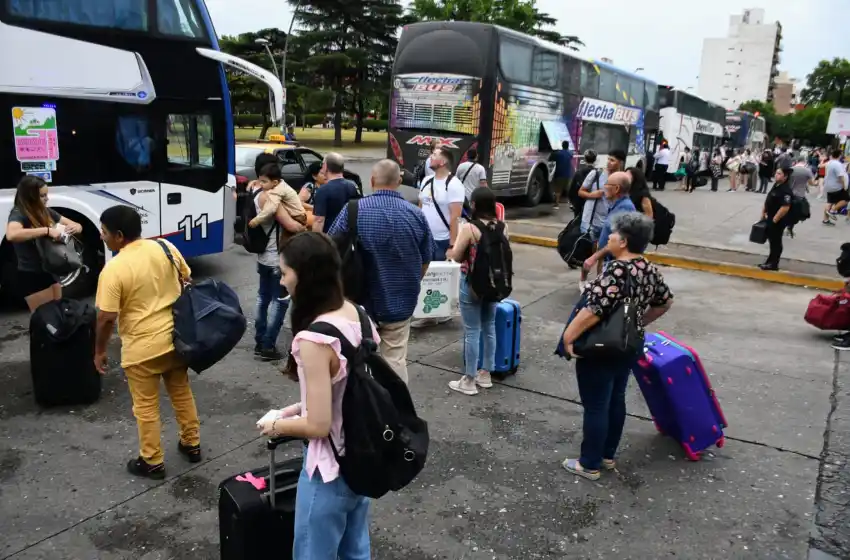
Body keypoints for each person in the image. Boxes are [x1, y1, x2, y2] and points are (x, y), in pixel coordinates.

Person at [257, 232, 374, 559]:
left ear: (305, 276)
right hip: (362, 457)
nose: (281, 282)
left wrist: (276, 427)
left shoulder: (313, 340)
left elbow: (320, 425)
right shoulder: (357, 313)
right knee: (355, 552)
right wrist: (290, 410)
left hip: (329, 471)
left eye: (285, 273)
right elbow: (344, 389)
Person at [562, 212, 673, 480]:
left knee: (597, 404)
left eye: (612, 234)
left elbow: (594, 310)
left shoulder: (616, 271)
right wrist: (638, 321)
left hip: (602, 346)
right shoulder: (648, 267)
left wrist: (568, 336)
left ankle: (589, 463)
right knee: (616, 398)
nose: (608, 238)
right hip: (628, 344)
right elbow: (665, 301)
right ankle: (607, 456)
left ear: (622, 241)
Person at [94, 205, 201, 480]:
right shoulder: (165, 246)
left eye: (104, 232)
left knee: (145, 407)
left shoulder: (113, 269)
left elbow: (106, 318)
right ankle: (192, 444)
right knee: (180, 392)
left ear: (118, 236)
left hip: (142, 350)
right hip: (176, 340)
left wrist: (99, 351)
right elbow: (187, 277)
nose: (101, 236)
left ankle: (152, 461)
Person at [328, 160, 435, 384]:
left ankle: (363, 408)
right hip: (401, 303)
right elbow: (426, 261)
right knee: (395, 359)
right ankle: (396, 409)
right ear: (398, 182)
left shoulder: (352, 211)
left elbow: (330, 249)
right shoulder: (416, 215)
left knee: (356, 359)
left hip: (359, 303)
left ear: (372, 180)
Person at [446, 187, 504, 396]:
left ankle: (469, 380)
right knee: (489, 327)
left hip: (471, 285)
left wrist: (450, 251)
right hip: (495, 285)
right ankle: (485, 374)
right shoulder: (502, 227)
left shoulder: (470, 228)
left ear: (475, 205)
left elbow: (459, 256)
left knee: (472, 330)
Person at [252, 163, 306, 361]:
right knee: (280, 301)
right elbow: (290, 225)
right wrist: (303, 226)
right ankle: (267, 346)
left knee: (262, 297)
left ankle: (259, 341)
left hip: (262, 257)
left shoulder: (256, 191)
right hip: (278, 258)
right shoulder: (272, 197)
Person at [5, 176, 83, 312]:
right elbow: (12, 234)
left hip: (50, 270)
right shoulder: (19, 213)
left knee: (58, 315)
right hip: (31, 274)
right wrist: (47, 231)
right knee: (45, 320)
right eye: (42, 196)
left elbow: (76, 225)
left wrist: (75, 227)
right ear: (30, 197)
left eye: (46, 194)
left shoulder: (45, 211)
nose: (47, 198)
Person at [577, 150, 623, 290]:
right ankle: (583, 279)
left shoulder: (622, 179)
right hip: (592, 221)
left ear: (620, 163)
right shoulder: (596, 174)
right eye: (608, 159)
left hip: (609, 222)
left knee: (603, 254)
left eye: (613, 160)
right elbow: (581, 192)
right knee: (589, 252)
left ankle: (600, 282)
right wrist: (592, 194)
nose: (609, 162)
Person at [583, 171, 637, 274]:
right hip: (609, 262)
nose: (604, 188)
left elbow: (619, 240)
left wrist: (594, 257)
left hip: (615, 265)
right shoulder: (616, 205)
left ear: (616, 189)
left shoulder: (624, 208)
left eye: (607, 184)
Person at [418, 146, 465, 260]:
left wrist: (452, 245)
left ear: (443, 162)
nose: (430, 157)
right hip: (423, 239)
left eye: (434, 155)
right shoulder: (426, 180)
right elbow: (420, 207)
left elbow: (455, 216)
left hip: (441, 242)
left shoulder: (454, 184)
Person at [248, 162, 307, 243]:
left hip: (297, 217)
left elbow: (270, 208)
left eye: (264, 182)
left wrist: (256, 220)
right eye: (259, 180)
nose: (261, 184)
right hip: (298, 215)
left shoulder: (276, 192)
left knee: (288, 242)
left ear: (275, 182)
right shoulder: (281, 184)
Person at [313, 153, 358, 234]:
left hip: (330, 238)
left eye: (323, 164)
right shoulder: (353, 186)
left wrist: (316, 243)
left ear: (326, 166)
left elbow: (319, 220)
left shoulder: (323, 190)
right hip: (348, 238)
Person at [759, 167, 794, 271]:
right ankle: (769, 261)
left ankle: (774, 264)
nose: (776, 175)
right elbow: (769, 199)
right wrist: (763, 212)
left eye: (779, 173)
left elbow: (785, 207)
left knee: (776, 242)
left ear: (785, 177)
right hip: (770, 217)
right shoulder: (776, 186)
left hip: (778, 221)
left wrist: (775, 220)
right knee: (772, 241)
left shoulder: (785, 190)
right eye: (776, 173)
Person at [787, 155, 816, 238]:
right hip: (800, 195)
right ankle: (790, 227)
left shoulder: (791, 169)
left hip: (789, 193)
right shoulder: (807, 171)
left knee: (786, 211)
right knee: (796, 213)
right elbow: (812, 183)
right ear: (804, 161)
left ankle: (784, 226)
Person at [567, 150, 597, 215]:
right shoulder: (599, 174)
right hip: (593, 205)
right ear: (595, 160)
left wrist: (573, 203)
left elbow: (571, 190)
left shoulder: (578, 173)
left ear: (585, 159)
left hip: (579, 204)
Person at [824, 149, 849, 226]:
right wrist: (844, 185)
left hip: (829, 185)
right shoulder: (837, 164)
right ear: (839, 155)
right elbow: (840, 176)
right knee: (846, 199)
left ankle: (825, 219)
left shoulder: (829, 163)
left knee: (830, 202)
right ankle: (833, 211)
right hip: (836, 186)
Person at [550, 141, 574, 210]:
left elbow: (551, 158)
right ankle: (571, 204)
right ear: (568, 146)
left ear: (562, 145)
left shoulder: (558, 153)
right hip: (568, 174)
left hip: (559, 174)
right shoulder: (570, 153)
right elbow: (571, 154)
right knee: (568, 190)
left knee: (558, 190)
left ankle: (556, 205)